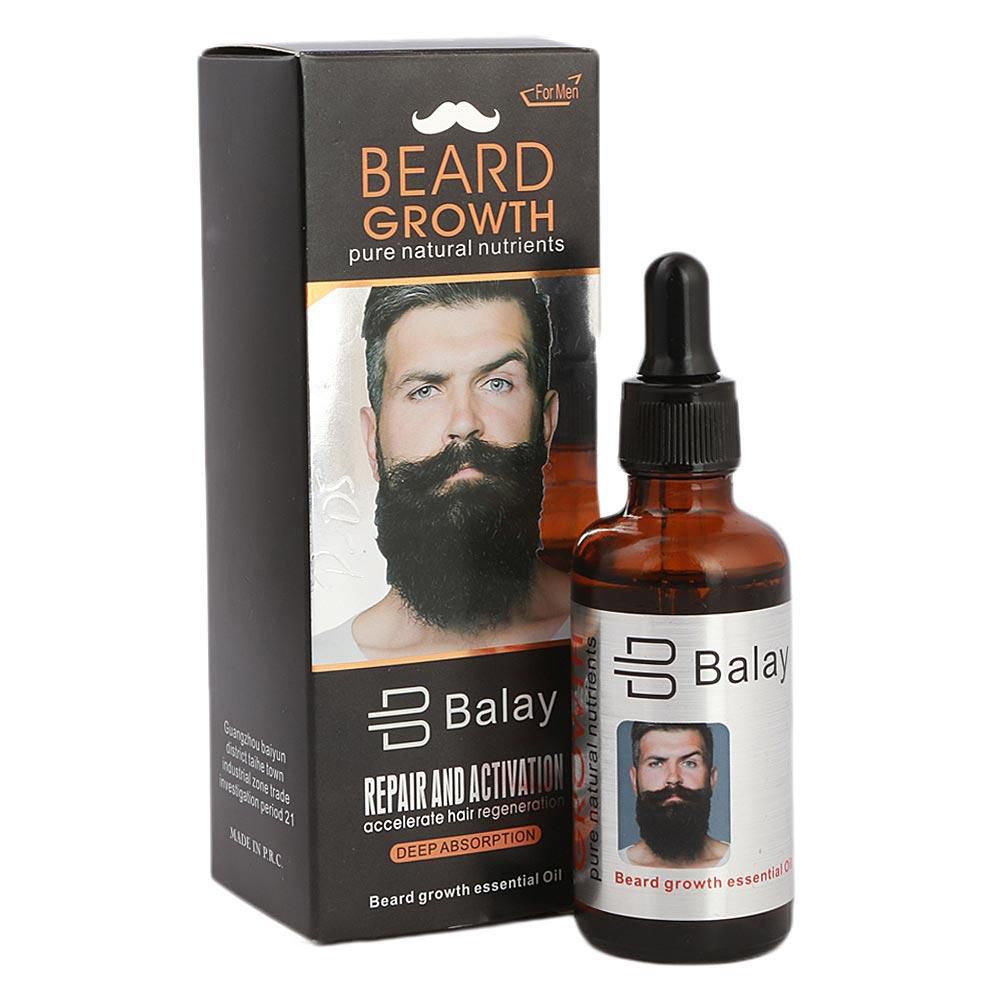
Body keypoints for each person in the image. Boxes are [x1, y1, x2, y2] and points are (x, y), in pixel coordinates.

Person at [312, 279, 568, 664]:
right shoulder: (323, 664)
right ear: (372, 440)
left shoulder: (613, 630)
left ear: (546, 423)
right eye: (425, 390)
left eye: (497, 383)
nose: (464, 423)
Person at [621, 723, 730, 868]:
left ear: (711, 778)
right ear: (634, 779)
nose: (673, 778)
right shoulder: (614, 865)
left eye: (689, 763)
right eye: (656, 764)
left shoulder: (742, 861)